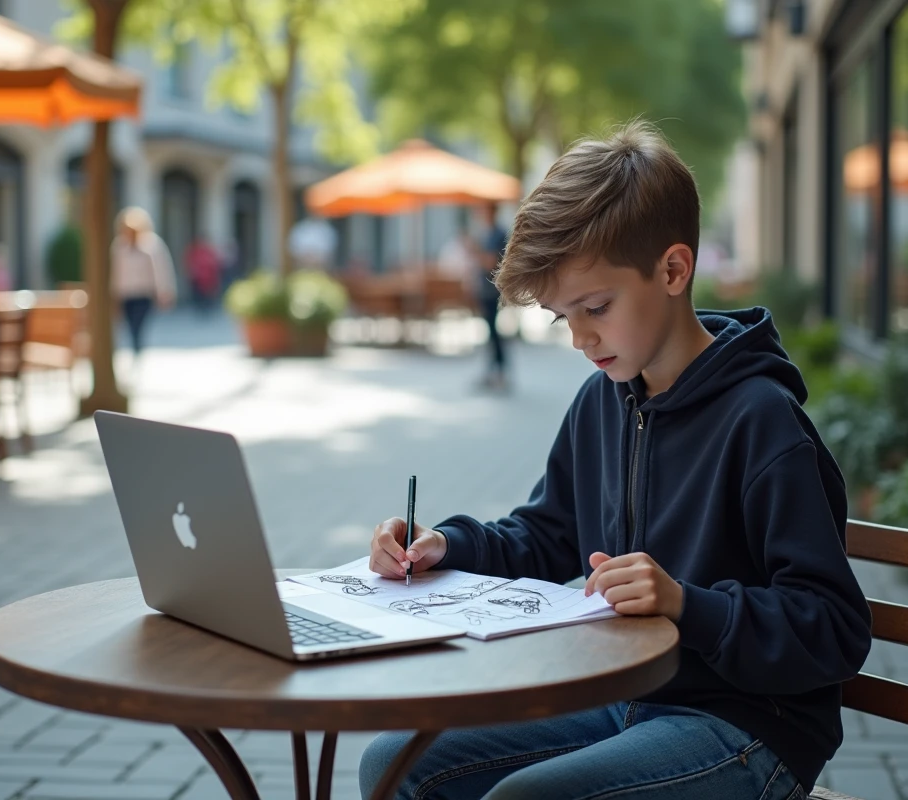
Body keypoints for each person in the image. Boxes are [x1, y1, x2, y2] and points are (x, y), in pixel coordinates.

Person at [359, 121, 872, 800]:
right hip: (622, 697)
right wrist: (443, 545)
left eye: (595, 307)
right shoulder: (603, 401)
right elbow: (547, 534)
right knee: (393, 761)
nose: (579, 337)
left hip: (748, 727)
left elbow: (835, 627)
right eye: (561, 317)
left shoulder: (764, 424)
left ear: (673, 270)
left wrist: (689, 606)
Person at [110, 207, 176, 356]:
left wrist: (164, 291)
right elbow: (115, 273)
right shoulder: (119, 246)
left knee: (138, 325)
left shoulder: (151, 244)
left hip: (143, 293)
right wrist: (113, 296)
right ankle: (136, 349)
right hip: (125, 294)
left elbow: (161, 270)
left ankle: (137, 350)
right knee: (130, 326)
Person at [476, 201, 510, 391]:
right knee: (490, 331)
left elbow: (490, 263)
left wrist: (475, 253)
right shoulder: (487, 234)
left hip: (492, 289)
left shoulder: (498, 234)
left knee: (493, 332)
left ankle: (499, 371)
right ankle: (493, 370)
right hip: (485, 288)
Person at [184, 234, 222, 313]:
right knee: (199, 296)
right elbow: (190, 263)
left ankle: (207, 309)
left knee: (208, 296)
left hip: (208, 279)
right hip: (198, 279)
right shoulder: (195, 251)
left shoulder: (209, 251)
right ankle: (199, 309)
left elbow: (214, 264)